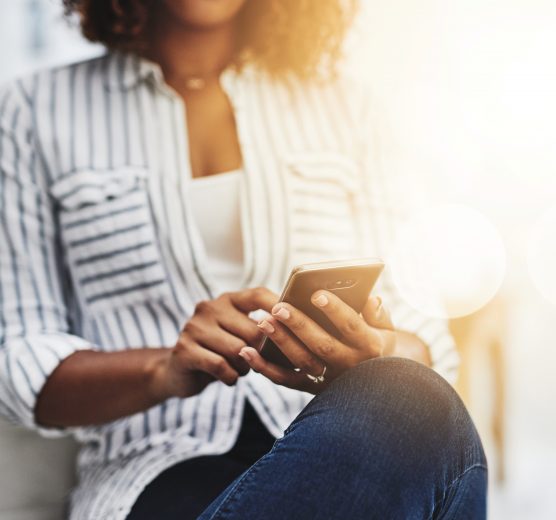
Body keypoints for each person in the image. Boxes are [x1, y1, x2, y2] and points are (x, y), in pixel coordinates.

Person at [0, 0, 487, 518]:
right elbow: (20, 360)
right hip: (153, 477)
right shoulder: (35, 109)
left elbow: (425, 339)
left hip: (346, 456)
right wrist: (161, 369)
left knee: (413, 396)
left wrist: (374, 353)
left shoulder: (348, 109)